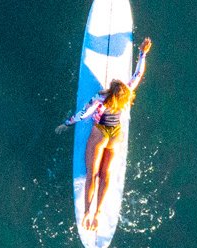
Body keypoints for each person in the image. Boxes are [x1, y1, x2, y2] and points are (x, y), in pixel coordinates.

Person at [61, 37, 153, 232]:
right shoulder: (126, 94)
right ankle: (99, 213)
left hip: (100, 133)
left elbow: (84, 114)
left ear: (111, 91)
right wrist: (142, 53)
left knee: (92, 174)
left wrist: (67, 123)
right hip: (115, 135)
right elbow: (138, 74)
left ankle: (88, 212)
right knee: (106, 175)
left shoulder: (101, 97)